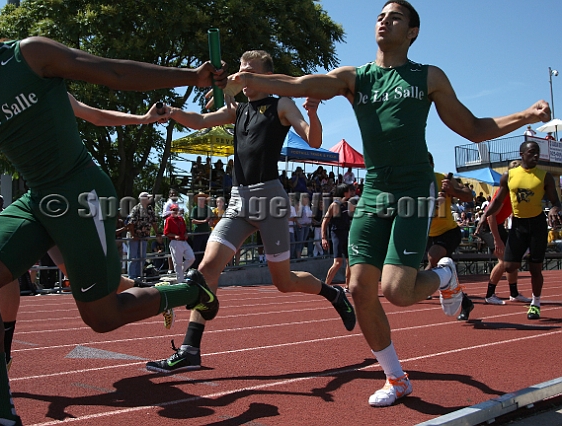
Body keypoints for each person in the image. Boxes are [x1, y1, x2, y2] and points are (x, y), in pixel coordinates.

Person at [226, 0, 552, 406]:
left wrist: (526, 114)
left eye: (394, 16)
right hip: (376, 189)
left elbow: (473, 128)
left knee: (397, 291)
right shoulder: (354, 77)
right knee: (360, 287)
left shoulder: (427, 76)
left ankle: (445, 277)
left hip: (415, 186)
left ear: (412, 32)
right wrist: (255, 81)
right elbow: (302, 85)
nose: (384, 21)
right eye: (380, 16)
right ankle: (396, 377)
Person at [0, 1, 225, 423]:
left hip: (80, 191)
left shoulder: (30, 55)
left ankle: (191, 290)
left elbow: (113, 72)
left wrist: (191, 76)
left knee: (102, 318)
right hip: (38, 201)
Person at [146, 49, 356, 374]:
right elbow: (201, 120)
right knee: (206, 270)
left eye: (247, 72)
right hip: (237, 200)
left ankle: (333, 293)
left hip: (270, 200)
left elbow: (314, 140)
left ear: (265, 77)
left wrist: (312, 113)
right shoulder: (238, 108)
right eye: (240, 71)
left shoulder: (281, 104)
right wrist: (172, 111)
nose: (241, 77)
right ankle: (190, 349)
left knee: (283, 282)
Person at [478, 142, 561, 320]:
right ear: (521, 153)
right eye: (532, 152)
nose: (536, 156)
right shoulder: (509, 176)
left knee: (535, 268)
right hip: (518, 225)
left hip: (537, 225)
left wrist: (555, 209)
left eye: (537, 153)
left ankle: (535, 304)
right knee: (509, 265)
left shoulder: (545, 177)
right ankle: (522, 264)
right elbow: (498, 202)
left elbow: (556, 201)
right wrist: (485, 216)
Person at [425, 153, 474, 320]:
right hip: (428, 234)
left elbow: (469, 195)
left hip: (449, 232)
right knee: (448, 276)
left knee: (433, 258)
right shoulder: (413, 184)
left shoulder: (442, 179)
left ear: (431, 165)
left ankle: (421, 286)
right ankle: (465, 302)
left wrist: (453, 190)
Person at [475, 161, 531, 305]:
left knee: (512, 260)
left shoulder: (517, 192)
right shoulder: (504, 191)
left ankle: (514, 293)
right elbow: (490, 216)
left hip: (499, 226)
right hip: (488, 227)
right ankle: (489, 294)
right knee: (504, 261)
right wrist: (497, 239)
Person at [321, 184, 353, 287]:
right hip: (337, 234)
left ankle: (347, 286)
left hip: (346, 234)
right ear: (344, 192)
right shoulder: (334, 205)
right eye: (349, 191)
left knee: (350, 261)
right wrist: (323, 237)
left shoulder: (348, 204)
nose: (351, 193)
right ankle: (326, 286)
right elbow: (325, 221)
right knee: (338, 262)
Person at [126, 191, 160, 280]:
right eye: (147, 197)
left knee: (142, 257)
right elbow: (131, 224)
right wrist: (133, 235)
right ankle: (132, 277)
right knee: (133, 258)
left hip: (144, 237)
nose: (149, 199)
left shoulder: (150, 209)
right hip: (134, 237)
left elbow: (153, 222)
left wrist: (157, 233)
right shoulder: (136, 209)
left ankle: (139, 276)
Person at [164, 203, 195, 282]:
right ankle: (180, 280)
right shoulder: (169, 219)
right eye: (173, 210)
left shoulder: (181, 219)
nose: (175, 211)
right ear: (170, 211)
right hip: (175, 242)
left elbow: (185, 229)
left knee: (191, 258)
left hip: (183, 241)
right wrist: (174, 236)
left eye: (176, 210)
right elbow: (166, 232)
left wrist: (185, 234)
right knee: (178, 262)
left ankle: (181, 272)